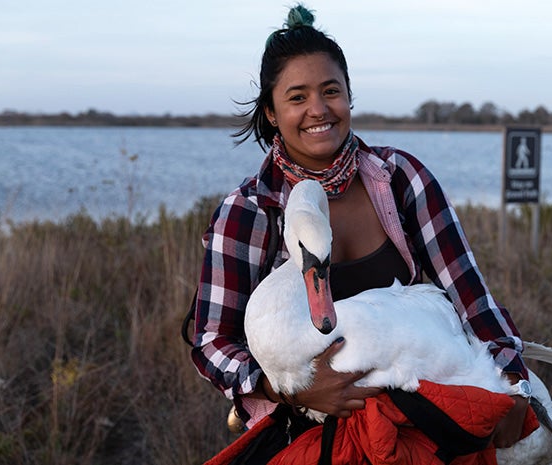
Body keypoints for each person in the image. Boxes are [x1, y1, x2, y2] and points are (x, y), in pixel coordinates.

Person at [191, 3, 530, 452]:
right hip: (306, 429)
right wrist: (287, 388)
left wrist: (513, 384)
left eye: (330, 91)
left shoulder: (401, 178)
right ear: (272, 112)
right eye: (297, 97)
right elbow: (211, 341)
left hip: (419, 425)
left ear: (349, 95)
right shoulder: (249, 212)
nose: (318, 110)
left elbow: (470, 296)